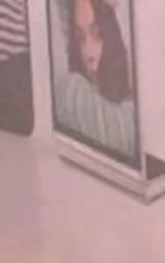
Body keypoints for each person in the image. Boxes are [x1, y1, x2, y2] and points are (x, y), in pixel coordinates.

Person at [54, 0, 137, 156]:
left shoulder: (132, 118)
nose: (88, 53)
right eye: (80, 38)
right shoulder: (73, 92)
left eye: (97, 35)